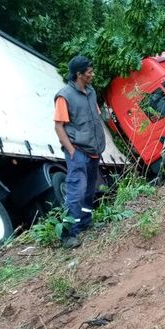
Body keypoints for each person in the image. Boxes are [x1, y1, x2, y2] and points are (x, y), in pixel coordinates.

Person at [54, 55, 106, 249]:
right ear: (79, 74)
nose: (92, 74)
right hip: (78, 151)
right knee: (75, 191)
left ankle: (85, 222)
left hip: (93, 150)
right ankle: (68, 234)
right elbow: (59, 127)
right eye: (89, 72)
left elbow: (95, 117)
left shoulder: (90, 92)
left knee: (89, 189)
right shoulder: (64, 96)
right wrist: (71, 151)